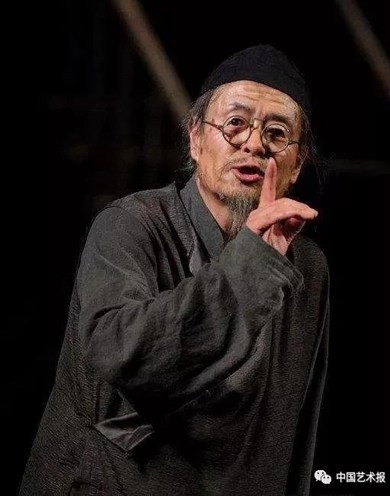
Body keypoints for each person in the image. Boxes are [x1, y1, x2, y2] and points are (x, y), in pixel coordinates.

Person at [20, 44, 329, 496]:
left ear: (296, 164)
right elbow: (120, 352)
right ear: (195, 139)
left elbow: (293, 424)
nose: (253, 144)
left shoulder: (308, 265)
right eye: (235, 123)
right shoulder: (131, 225)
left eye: (277, 133)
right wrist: (251, 266)